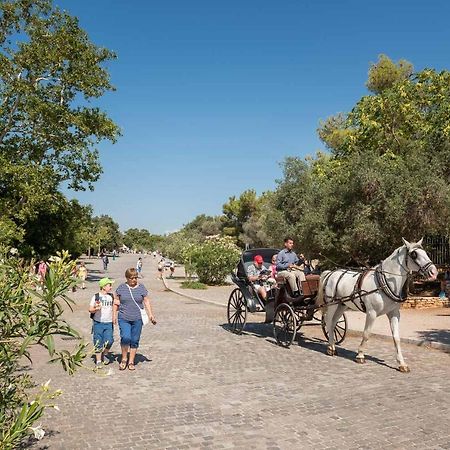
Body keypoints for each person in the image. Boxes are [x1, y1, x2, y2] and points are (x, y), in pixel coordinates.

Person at [113, 268, 156, 371]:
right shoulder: (121, 288)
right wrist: (114, 315)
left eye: (135, 278)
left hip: (137, 318)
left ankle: (131, 361)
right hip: (124, 317)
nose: (134, 280)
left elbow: (146, 301)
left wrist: (151, 315)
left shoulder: (142, 288)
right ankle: (124, 358)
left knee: (135, 340)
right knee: (125, 337)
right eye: (132, 278)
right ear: (127, 278)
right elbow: (116, 302)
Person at [89, 278, 115, 368]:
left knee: (110, 341)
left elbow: (115, 307)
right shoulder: (96, 296)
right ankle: (99, 360)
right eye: (109, 285)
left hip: (109, 322)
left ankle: (105, 353)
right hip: (98, 323)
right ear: (104, 287)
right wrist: (96, 309)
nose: (111, 287)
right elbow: (90, 309)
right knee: (98, 341)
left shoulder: (111, 296)